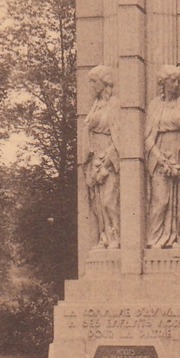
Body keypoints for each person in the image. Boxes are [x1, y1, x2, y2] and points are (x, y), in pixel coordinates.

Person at [145, 65, 180, 248]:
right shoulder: (154, 105)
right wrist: (160, 158)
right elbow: (147, 139)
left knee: (176, 199)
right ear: (163, 82)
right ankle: (154, 239)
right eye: (173, 81)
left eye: (178, 81)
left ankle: (173, 236)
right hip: (160, 155)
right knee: (161, 199)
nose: (176, 85)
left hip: (177, 154)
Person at [82, 65, 121, 248]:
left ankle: (116, 235)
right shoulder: (95, 106)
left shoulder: (114, 104)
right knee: (97, 203)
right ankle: (104, 236)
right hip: (94, 156)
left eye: (93, 81)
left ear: (103, 82)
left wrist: (108, 161)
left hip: (108, 157)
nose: (91, 85)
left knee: (108, 201)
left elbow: (119, 137)